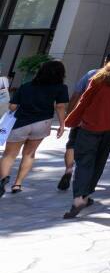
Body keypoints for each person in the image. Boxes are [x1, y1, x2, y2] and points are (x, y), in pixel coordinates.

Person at [63, 51, 110, 218]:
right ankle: (87, 194)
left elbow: (84, 100)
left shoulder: (99, 77)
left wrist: (71, 119)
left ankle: (78, 198)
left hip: (89, 125)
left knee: (84, 160)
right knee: (100, 159)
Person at [1, 59, 69, 196]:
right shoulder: (61, 88)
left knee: (9, 155)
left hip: (21, 123)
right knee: (29, 154)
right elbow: (60, 106)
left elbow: (12, 107)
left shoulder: (26, 86)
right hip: (42, 123)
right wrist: (62, 124)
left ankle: (2, 180)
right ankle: (17, 184)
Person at [58, 52, 110, 192]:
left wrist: (69, 115)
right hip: (105, 122)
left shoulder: (92, 74)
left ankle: (68, 170)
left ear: (105, 60)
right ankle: (86, 186)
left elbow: (77, 94)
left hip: (83, 116)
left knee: (72, 143)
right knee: (94, 153)